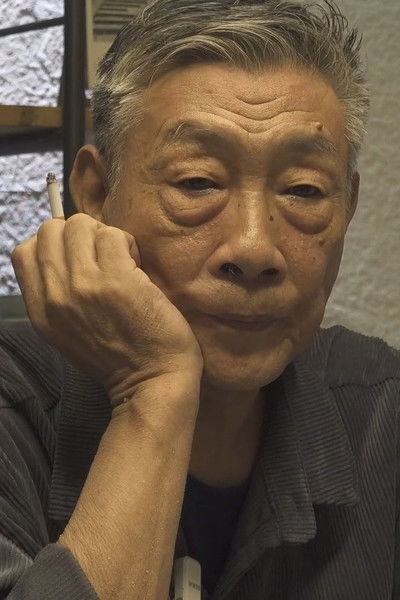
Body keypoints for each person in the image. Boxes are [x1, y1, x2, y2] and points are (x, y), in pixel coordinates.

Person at [0, 0, 399, 598]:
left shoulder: (381, 415)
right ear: (96, 193)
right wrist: (152, 386)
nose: (255, 247)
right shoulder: (15, 409)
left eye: (304, 190)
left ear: (348, 205)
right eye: (197, 182)